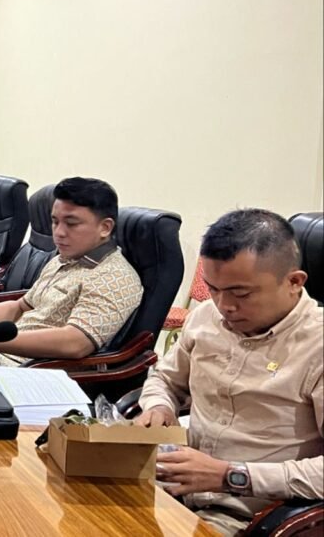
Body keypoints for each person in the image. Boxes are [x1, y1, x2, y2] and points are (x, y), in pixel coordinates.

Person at [135, 209, 322, 536]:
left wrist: (230, 475)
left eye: (241, 294)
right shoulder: (205, 317)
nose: (224, 306)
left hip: (246, 516)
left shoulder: (316, 346)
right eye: (213, 289)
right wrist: (159, 405)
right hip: (169, 485)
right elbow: (165, 378)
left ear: (294, 282)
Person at [0, 177, 142, 365]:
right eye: (55, 221)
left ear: (105, 227)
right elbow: (20, 308)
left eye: (71, 224)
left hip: (29, 372)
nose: (59, 232)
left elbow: (76, 343)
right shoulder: (62, 260)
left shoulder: (114, 276)